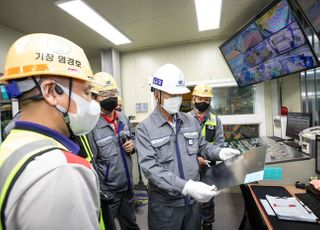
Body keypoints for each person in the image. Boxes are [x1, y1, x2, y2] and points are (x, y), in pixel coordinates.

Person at [0, 33, 101, 230]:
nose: (92, 102)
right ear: (52, 91)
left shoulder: (11, 147)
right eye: (87, 92)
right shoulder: (61, 170)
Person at [135, 63, 241, 230]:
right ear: (157, 94)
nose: (178, 98)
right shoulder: (144, 129)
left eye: (179, 94)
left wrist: (220, 152)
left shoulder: (189, 121)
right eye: (173, 94)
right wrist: (186, 186)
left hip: (192, 205)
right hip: (165, 208)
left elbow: (204, 147)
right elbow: (150, 169)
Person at [87, 72, 140, 230]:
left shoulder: (122, 118)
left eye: (113, 93)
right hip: (108, 194)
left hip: (127, 187)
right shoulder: (91, 125)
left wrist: (133, 145)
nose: (110, 97)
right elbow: (91, 162)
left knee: (131, 225)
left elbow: (133, 137)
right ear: (94, 97)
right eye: (104, 94)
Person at [189, 84, 224, 230]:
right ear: (194, 99)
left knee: (208, 197)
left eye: (206, 99)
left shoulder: (215, 120)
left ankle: (208, 224)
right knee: (192, 196)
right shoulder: (185, 119)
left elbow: (219, 143)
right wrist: (196, 158)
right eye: (200, 98)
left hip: (209, 166)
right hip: (191, 166)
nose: (203, 101)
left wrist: (208, 159)